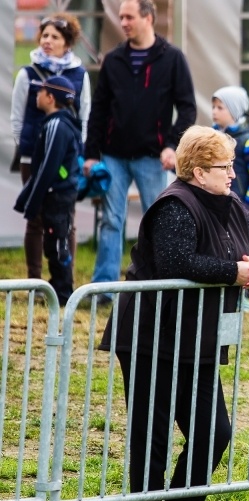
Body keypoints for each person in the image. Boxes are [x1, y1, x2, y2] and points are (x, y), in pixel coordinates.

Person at [98, 125, 249, 501]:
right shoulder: (174, 205)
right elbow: (177, 262)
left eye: (231, 166)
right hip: (151, 336)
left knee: (216, 434)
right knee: (152, 438)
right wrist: (234, 271)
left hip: (199, 339)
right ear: (197, 172)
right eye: (223, 167)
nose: (232, 175)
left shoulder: (231, 204)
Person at [84, 0, 196, 300]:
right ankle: (103, 290)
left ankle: (158, 287)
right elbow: (99, 109)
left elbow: (187, 109)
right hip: (113, 156)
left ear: (148, 18)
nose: (123, 23)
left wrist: (172, 145)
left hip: (152, 159)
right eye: (121, 17)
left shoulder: (173, 58)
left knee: (157, 224)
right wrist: (91, 153)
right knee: (111, 220)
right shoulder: (114, 59)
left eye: (129, 17)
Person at [11, 13, 89, 281]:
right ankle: (34, 279)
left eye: (54, 36)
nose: (47, 40)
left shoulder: (79, 75)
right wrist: (29, 147)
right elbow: (17, 118)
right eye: (44, 35)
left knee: (66, 219)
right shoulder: (28, 74)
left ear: (67, 42)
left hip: (66, 162)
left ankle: (65, 276)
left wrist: (77, 153)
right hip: (32, 158)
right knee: (35, 219)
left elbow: (84, 117)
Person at [13, 76, 82, 306]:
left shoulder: (56, 125)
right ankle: (59, 287)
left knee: (57, 243)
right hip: (59, 194)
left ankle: (62, 293)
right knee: (55, 241)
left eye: (40, 91)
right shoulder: (61, 123)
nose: (36, 95)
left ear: (51, 98)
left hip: (57, 195)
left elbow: (47, 167)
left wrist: (32, 201)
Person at [211, 86, 249, 206]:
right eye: (213, 107)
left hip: (239, 206)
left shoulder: (248, 141)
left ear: (234, 110)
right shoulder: (211, 136)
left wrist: (246, 207)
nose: (214, 111)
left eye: (220, 107)